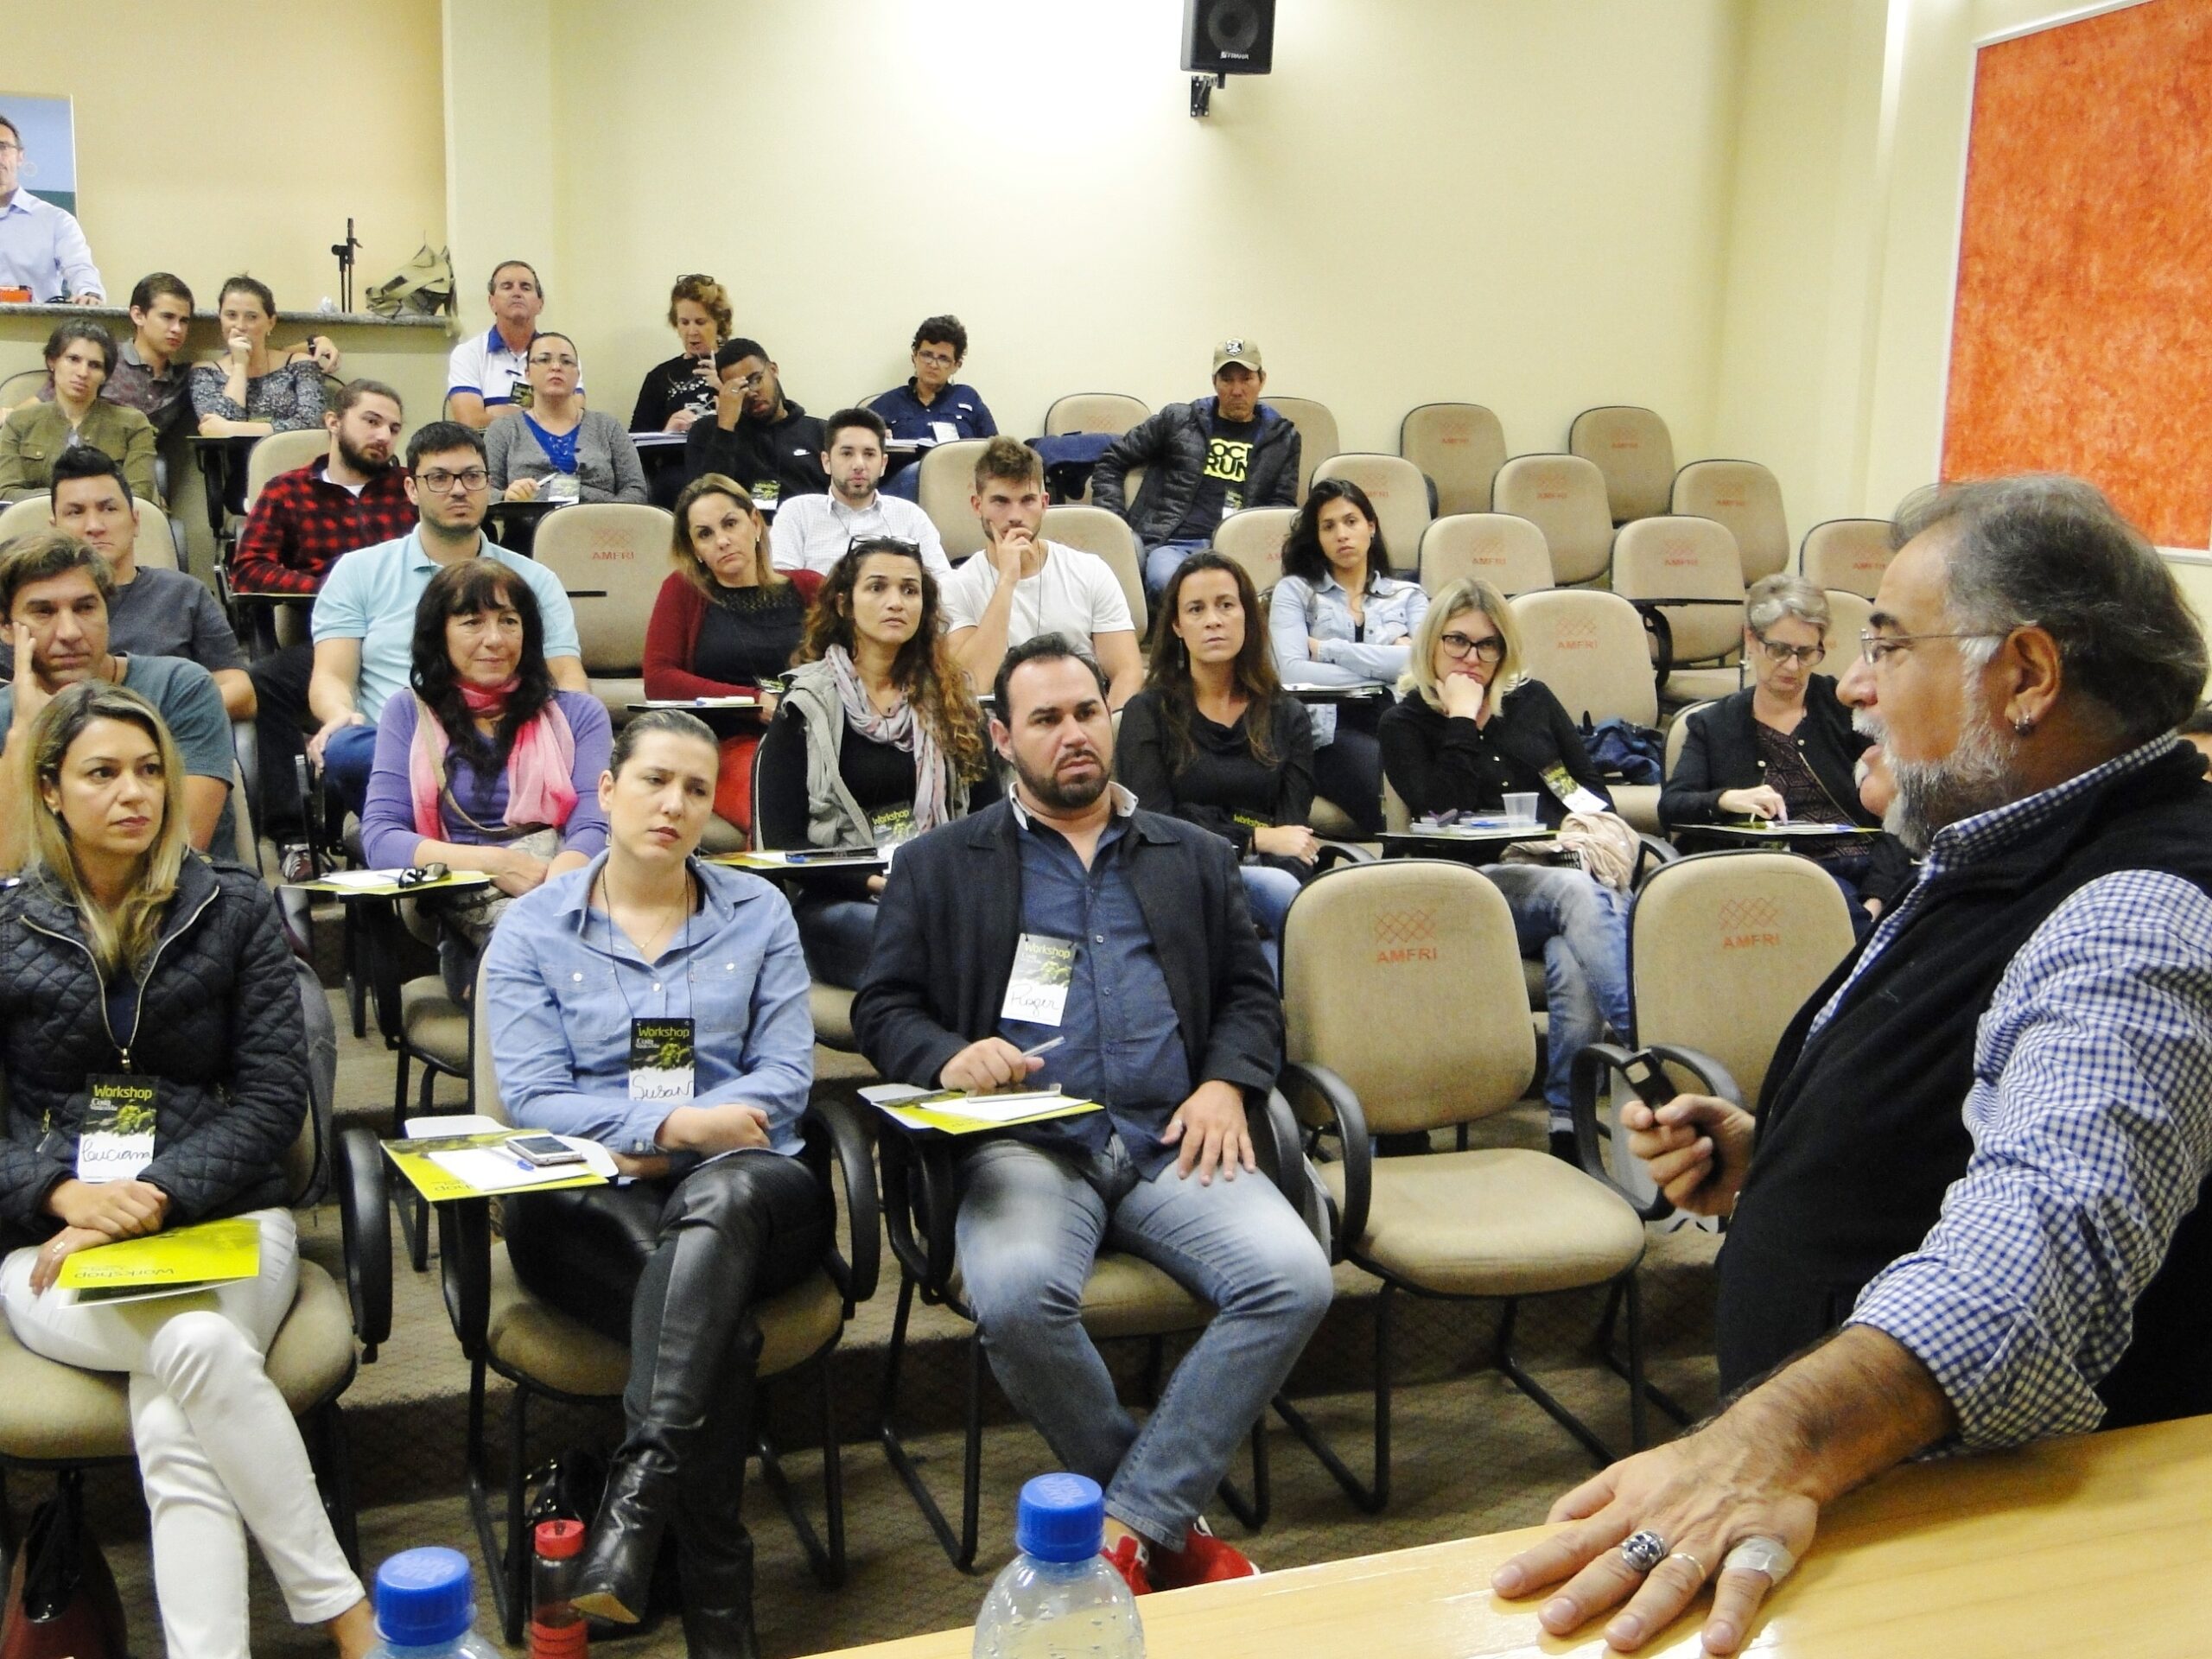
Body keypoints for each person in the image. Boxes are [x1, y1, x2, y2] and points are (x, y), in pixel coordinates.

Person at [1493, 476, 2212, 1657]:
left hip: (1977, 1564)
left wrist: (1768, 1442)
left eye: (1886, 645)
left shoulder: (2139, 907)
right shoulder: (1996, 844)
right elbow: (1965, 1109)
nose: (1850, 685)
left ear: (2025, 676)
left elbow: (2039, 1250)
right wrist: (1778, 1165)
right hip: (1873, 1510)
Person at [852, 636, 1333, 1596]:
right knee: (1019, 1296)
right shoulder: (942, 864)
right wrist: (948, 1055)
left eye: (1085, 713)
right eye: (1045, 719)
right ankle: (1167, 1523)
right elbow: (881, 1009)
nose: (1072, 735)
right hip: (1027, 1146)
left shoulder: (1190, 854)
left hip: (1174, 1135)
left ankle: (1127, 1523)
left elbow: (1249, 996)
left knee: (1295, 1278)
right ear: (1001, 737)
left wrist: (1229, 1082)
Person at [0, 682, 373, 1659]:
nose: (136, 792)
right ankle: (351, 1618)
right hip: (51, 1242)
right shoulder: (4, 927)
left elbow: (269, 1101)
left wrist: (150, 1197)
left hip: (225, 1221)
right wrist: (61, 1193)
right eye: (102, 773)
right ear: (49, 790)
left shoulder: (236, 907)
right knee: (195, 1366)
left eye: (150, 769)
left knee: (189, 1379)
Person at [482, 709, 824, 1656]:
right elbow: (536, 1095)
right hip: (595, 1207)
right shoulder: (532, 930)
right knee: (716, 1333)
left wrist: (683, 1144)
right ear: (605, 791)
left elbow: (787, 1075)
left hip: (754, 1190)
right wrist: (677, 1124)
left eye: (695, 789)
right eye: (653, 781)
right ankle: (718, 1603)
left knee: (719, 1198)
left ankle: (633, 1506)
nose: (674, 805)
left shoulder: (757, 912)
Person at [1378, 579, 1632, 1155]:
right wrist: (1462, 722)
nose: (1472, 658)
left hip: (1551, 869)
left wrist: (1562, 826)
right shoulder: (1406, 721)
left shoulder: (1533, 701)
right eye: (1458, 642)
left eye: (1487, 646)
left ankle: (1569, 1127)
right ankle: (1653, 1053)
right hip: (1466, 887)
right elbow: (1436, 808)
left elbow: (1589, 790)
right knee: (1579, 899)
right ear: (1432, 644)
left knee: (1573, 949)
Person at [304, 423, 588, 820]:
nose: (458, 489)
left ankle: (470, 819)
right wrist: (338, 714)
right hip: (401, 746)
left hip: (508, 740)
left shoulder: (535, 580)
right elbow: (332, 675)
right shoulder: (358, 571)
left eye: (472, 477)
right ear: (411, 490)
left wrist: (571, 734)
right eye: (438, 478)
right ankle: (481, 815)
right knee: (348, 750)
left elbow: (567, 676)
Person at [360, 559, 610, 995]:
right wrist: (498, 864)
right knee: (530, 977)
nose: (494, 640)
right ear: (439, 633)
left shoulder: (579, 713)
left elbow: (594, 822)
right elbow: (380, 838)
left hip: (571, 901)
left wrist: (552, 896)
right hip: (471, 921)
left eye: (509, 622)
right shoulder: (406, 713)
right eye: (473, 622)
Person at [756, 537, 994, 988]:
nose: (895, 602)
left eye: (909, 590)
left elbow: (987, 819)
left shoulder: (954, 700)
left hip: (942, 890)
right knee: (913, 936)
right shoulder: (805, 704)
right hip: (842, 900)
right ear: (845, 605)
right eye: (877, 588)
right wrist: (879, 884)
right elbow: (782, 848)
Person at [1118, 553, 1319, 979]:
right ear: (1176, 626)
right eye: (1196, 609)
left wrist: (1258, 853)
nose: (1213, 620)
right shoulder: (1147, 712)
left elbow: (1296, 838)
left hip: (1267, 890)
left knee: (1286, 915)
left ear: (1247, 615)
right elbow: (1156, 827)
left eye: (1226, 605)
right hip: (1180, 880)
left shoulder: (1288, 716)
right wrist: (1255, 838)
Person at [1660, 574, 1884, 924]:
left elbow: (1898, 816)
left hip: (1869, 867)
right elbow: (1672, 807)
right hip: (1788, 875)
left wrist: (1878, 896)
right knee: (1835, 911)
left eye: (1807, 652)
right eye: (1779, 650)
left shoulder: (1844, 707)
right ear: (1751, 639)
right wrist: (1725, 799)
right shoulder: (1716, 724)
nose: (1793, 667)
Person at [0, 531, 234, 862]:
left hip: (181, 905)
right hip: (40, 913)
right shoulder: (5, 719)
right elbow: (6, 873)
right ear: (6, 627)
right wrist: (25, 729)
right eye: (44, 612)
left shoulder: (179, 687)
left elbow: (182, 848)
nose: (70, 632)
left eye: (85, 608)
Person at [643, 474, 822, 835]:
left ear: (755, 523)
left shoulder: (809, 586)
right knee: (781, 805)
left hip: (817, 737)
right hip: (731, 746)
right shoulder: (683, 590)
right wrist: (755, 702)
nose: (722, 541)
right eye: (705, 534)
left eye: (730, 523)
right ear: (695, 549)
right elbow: (659, 679)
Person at [1268, 478, 1429, 836]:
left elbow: (1426, 668)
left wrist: (1329, 652)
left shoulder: (1409, 596)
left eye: (1351, 521)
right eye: (1328, 526)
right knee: (1390, 791)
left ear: (1371, 527)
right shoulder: (1295, 592)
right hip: (1325, 734)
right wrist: (1387, 669)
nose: (1342, 534)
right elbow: (1292, 673)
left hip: (1401, 723)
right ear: (1318, 538)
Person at [47, 448, 253, 719]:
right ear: (54, 528)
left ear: (135, 521)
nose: (94, 525)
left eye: (108, 509)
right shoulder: (34, 607)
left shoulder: (183, 594)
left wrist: (146, 717)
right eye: (75, 512)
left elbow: (242, 693)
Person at [1092, 339, 1300, 601]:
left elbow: (1281, 508)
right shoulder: (1179, 420)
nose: (1237, 390)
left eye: (1246, 379)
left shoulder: (1283, 438)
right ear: (1215, 382)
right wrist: (1116, 525)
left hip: (1237, 546)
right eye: (1227, 380)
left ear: (1262, 380)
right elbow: (1112, 460)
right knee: (1169, 583)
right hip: (1173, 544)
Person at [941, 436, 1142, 706]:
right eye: (1000, 501)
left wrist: (1104, 733)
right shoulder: (955, 587)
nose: (1015, 515)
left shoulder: (1090, 571)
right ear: (978, 506)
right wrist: (1007, 581)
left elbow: (1127, 672)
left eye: (1027, 500)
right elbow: (973, 685)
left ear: (1044, 503)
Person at [230, 379, 414, 598]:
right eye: (372, 421)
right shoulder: (287, 491)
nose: (384, 437)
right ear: (334, 422)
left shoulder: (411, 487)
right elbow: (248, 572)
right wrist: (328, 590)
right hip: (323, 617)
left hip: (406, 612)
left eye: (394, 429)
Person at [767, 406, 950, 580]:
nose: (859, 465)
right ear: (826, 462)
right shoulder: (798, 513)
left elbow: (942, 584)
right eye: (847, 454)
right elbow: (783, 588)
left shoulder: (910, 516)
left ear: (883, 464)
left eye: (869, 454)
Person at [0, 321, 159, 504]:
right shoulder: (19, 422)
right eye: (73, 359)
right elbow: (7, 494)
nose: (83, 372)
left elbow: (139, 495)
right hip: (35, 525)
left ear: (105, 375)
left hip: (109, 525)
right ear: (52, 361)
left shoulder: (133, 424)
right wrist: (66, 502)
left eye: (95, 365)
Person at [485, 334, 646, 505]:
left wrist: (607, 518)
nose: (556, 367)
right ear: (527, 374)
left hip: (600, 525)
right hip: (530, 527)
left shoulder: (607, 426)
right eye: (544, 360)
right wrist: (507, 497)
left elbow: (635, 488)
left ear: (577, 375)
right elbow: (483, 492)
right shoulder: (503, 430)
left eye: (566, 362)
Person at [680, 338, 827, 514]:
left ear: (773, 370)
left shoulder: (819, 431)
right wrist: (725, 427)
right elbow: (704, 504)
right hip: (746, 535)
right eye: (738, 388)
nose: (751, 392)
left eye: (756, 379)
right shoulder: (709, 432)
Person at [189, 276, 327, 438]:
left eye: (252, 317)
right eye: (231, 315)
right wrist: (240, 366)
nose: (240, 326)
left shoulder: (300, 365)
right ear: (220, 318)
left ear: (271, 322)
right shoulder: (205, 372)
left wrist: (234, 429)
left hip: (290, 460)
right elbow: (216, 434)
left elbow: (311, 424)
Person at [867, 314, 997, 485]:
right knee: (918, 472)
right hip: (904, 485)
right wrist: (875, 438)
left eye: (943, 359)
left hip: (961, 485)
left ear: (957, 365)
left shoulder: (968, 399)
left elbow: (997, 450)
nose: (933, 364)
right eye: (927, 355)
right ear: (914, 357)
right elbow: (856, 446)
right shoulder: (888, 404)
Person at [446, 259, 575, 428]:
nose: (517, 293)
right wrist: (542, 413)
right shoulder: (468, 354)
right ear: (492, 302)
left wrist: (495, 412)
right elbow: (469, 421)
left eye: (526, 287)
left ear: (540, 304)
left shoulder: (562, 353)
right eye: (507, 286)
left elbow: (573, 416)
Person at [0, 112, 101, 302]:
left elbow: (79, 267)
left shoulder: (55, 220)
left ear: (20, 156)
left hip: (34, 329)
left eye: (2, 147)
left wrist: (89, 293)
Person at [99, 273, 198, 446]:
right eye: (167, 317)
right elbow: (42, 405)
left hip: (144, 463)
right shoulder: (103, 359)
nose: (177, 329)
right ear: (138, 315)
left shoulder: (183, 379)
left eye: (184, 321)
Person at [628, 274, 732, 435]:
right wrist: (667, 433)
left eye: (700, 322)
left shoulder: (739, 364)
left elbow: (765, 429)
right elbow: (637, 442)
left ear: (719, 322)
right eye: (684, 322)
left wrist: (722, 388)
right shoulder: (660, 377)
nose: (691, 332)